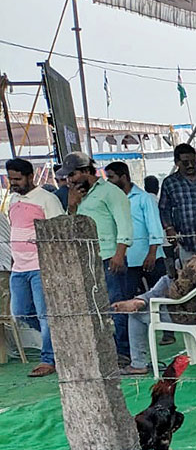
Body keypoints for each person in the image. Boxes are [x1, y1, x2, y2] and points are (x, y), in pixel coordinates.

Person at [112, 215, 196, 375]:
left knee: (136, 315)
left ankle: (138, 363)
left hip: (187, 313)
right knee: (165, 280)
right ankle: (141, 300)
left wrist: (174, 279)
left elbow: (175, 294)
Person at [62, 152, 135, 360]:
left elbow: (124, 224)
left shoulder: (111, 192)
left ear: (86, 171)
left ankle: (124, 352)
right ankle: (108, 349)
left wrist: (119, 254)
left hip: (110, 256)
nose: (70, 180)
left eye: (73, 175)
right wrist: (73, 205)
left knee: (116, 305)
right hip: (87, 260)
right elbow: (71, 227)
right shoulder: (77, 196)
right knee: (96, 308)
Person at [6, 157, 62, 376]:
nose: (14, 183)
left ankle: (49, 358)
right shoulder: (12, 200)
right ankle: (58, 340)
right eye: (11, 179)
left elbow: (59, 233)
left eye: (18, 179)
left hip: (41, 266)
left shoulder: (47, 199)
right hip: (18, 267)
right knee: (20, 313)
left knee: (45, 314)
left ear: (30, 176)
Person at [105, 162, 165, 297]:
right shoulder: (112, 200)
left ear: (124, 177)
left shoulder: (144, 198)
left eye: (111, 177)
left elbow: (154, 226)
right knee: (128, 299)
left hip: (150, 258)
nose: (108, 181)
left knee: (159, 298)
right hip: (126, 260)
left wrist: (152, 253)